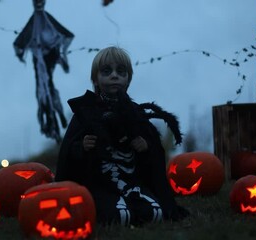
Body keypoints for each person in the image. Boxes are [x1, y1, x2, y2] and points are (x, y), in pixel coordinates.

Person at [55, 46, 188, 226]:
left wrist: (146, 146)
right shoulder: (86, 113)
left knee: (155, 213)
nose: (114, 76)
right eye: (107, 71)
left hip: (132, 181)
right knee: (119, 216)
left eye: (121, 71)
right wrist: (81, 147)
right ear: (95, 79)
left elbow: (154, 155)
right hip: (98, 184)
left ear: (128, 79)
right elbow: (68, 153)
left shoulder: (135, 114)